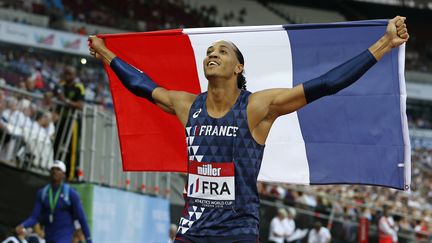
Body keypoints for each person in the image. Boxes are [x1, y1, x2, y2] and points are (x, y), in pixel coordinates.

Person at [88, 16, 408, 241]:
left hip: (237, 231)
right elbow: (141, 85)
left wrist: (383, 44)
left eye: (222, 51)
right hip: (192, 229)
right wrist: (105, 53)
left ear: (238, 67)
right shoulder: (187, 105)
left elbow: (327, 84)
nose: (212, 54)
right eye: (209, 51)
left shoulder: (258, 107)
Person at [15, 160, 92, 243]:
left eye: (58, 169)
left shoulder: (71, 194)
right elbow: (34, 217)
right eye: (53, 169)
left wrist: (89, 239)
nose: (55, 171)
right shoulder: (43, 193)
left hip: (64, 236)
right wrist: (23, 225)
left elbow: (82, 218)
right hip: (48, 236)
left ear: (63, 175)